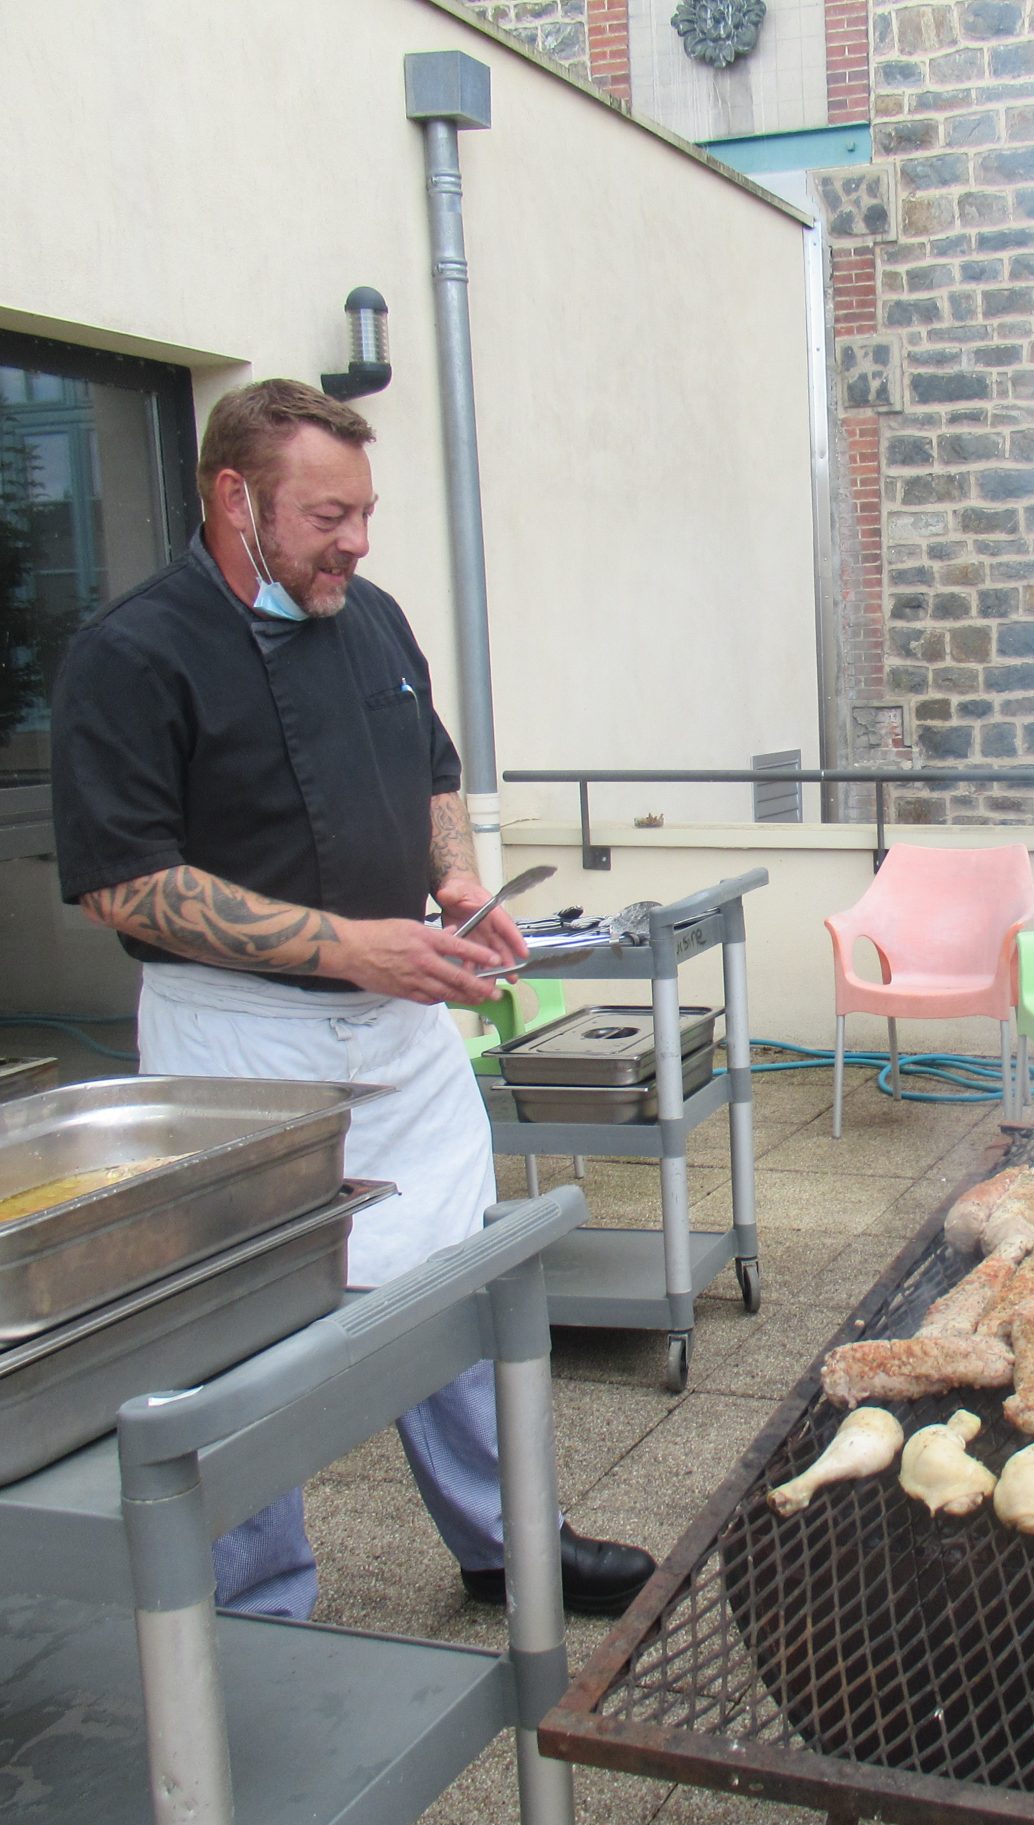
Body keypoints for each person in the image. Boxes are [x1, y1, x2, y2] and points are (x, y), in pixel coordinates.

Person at [48, 377, 654, 1619]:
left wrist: (459, 886)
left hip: (400, 1028)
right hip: (239, 1050)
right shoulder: (129, 655)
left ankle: (509, 1540)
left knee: (459, 1277)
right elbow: (124, 885)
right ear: (234, 499)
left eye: (365, 512)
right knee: (244, 1332)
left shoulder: (369, 616)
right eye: (329, 515)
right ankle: (257, 1601)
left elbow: (432, 766)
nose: (358, 542)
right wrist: (347, 948)